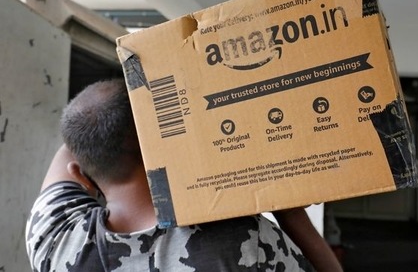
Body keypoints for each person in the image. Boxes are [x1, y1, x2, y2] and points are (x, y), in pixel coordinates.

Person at [25, 78, 343, 272]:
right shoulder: (241, 239)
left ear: (81, 175)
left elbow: (74, 143)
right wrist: (288, 211)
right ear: (166, 145)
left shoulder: (54, 241)